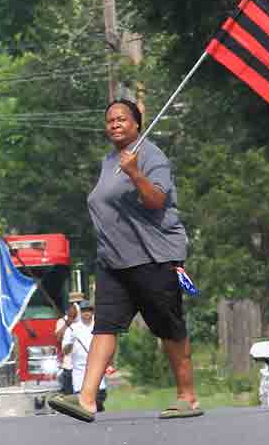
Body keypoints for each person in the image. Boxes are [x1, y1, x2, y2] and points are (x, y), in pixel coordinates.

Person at [49, 99, 201, 422]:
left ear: (137, 123)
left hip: (153, 258)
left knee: (169, 327)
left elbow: (156, 200)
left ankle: (187, 396)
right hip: (114, 262)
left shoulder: (151, 156)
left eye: (122, 119)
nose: (115, 124)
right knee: (105, 326)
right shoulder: (108, 161)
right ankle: (87, 398)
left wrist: (134, 173)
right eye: (110, 120)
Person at [62, 300, 107, 412]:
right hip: (79, 373)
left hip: (96, 370)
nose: (86, 313)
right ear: (80, 312)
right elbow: (65, 351)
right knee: (84, 405)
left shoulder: (99, 326)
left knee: (98, 402)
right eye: (84, 311)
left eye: (89, 310)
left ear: (93, 312)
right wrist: (71, 341)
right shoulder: (72, 328)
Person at [55, 292, 84, 394]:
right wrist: (69, 321)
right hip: (69, 366)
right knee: (69, 396)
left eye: (78, 303)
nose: (76, 306)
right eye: (73, 304)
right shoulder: (62, 321)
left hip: (84, 366)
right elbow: (58, 338)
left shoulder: (86, 321)